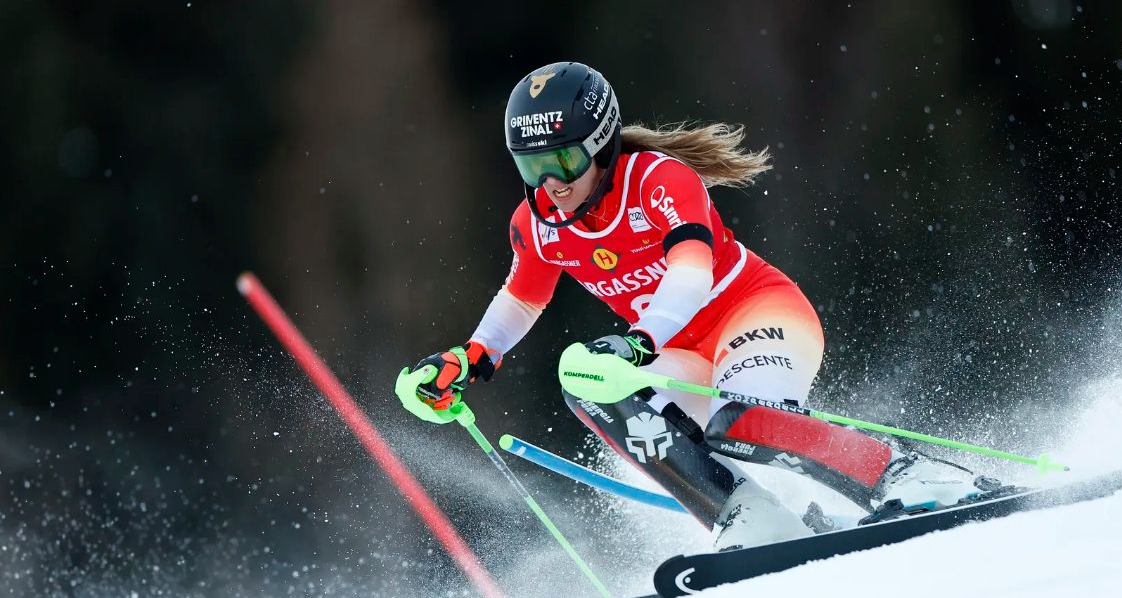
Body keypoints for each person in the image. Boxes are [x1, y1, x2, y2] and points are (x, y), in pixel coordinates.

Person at [396, 61, 989, 551]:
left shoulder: (659, 180)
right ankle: (747, 515)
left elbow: (689, 271)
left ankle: (908, 475)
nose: (551, 182)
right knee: (588, 384)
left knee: (740, 422)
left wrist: (638, 340)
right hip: (677, 349)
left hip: (755, 316)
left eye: (564, 162)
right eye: (532, 167)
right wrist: (469, 358)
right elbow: (522, 297)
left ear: (600, 145)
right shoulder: (539, 221)